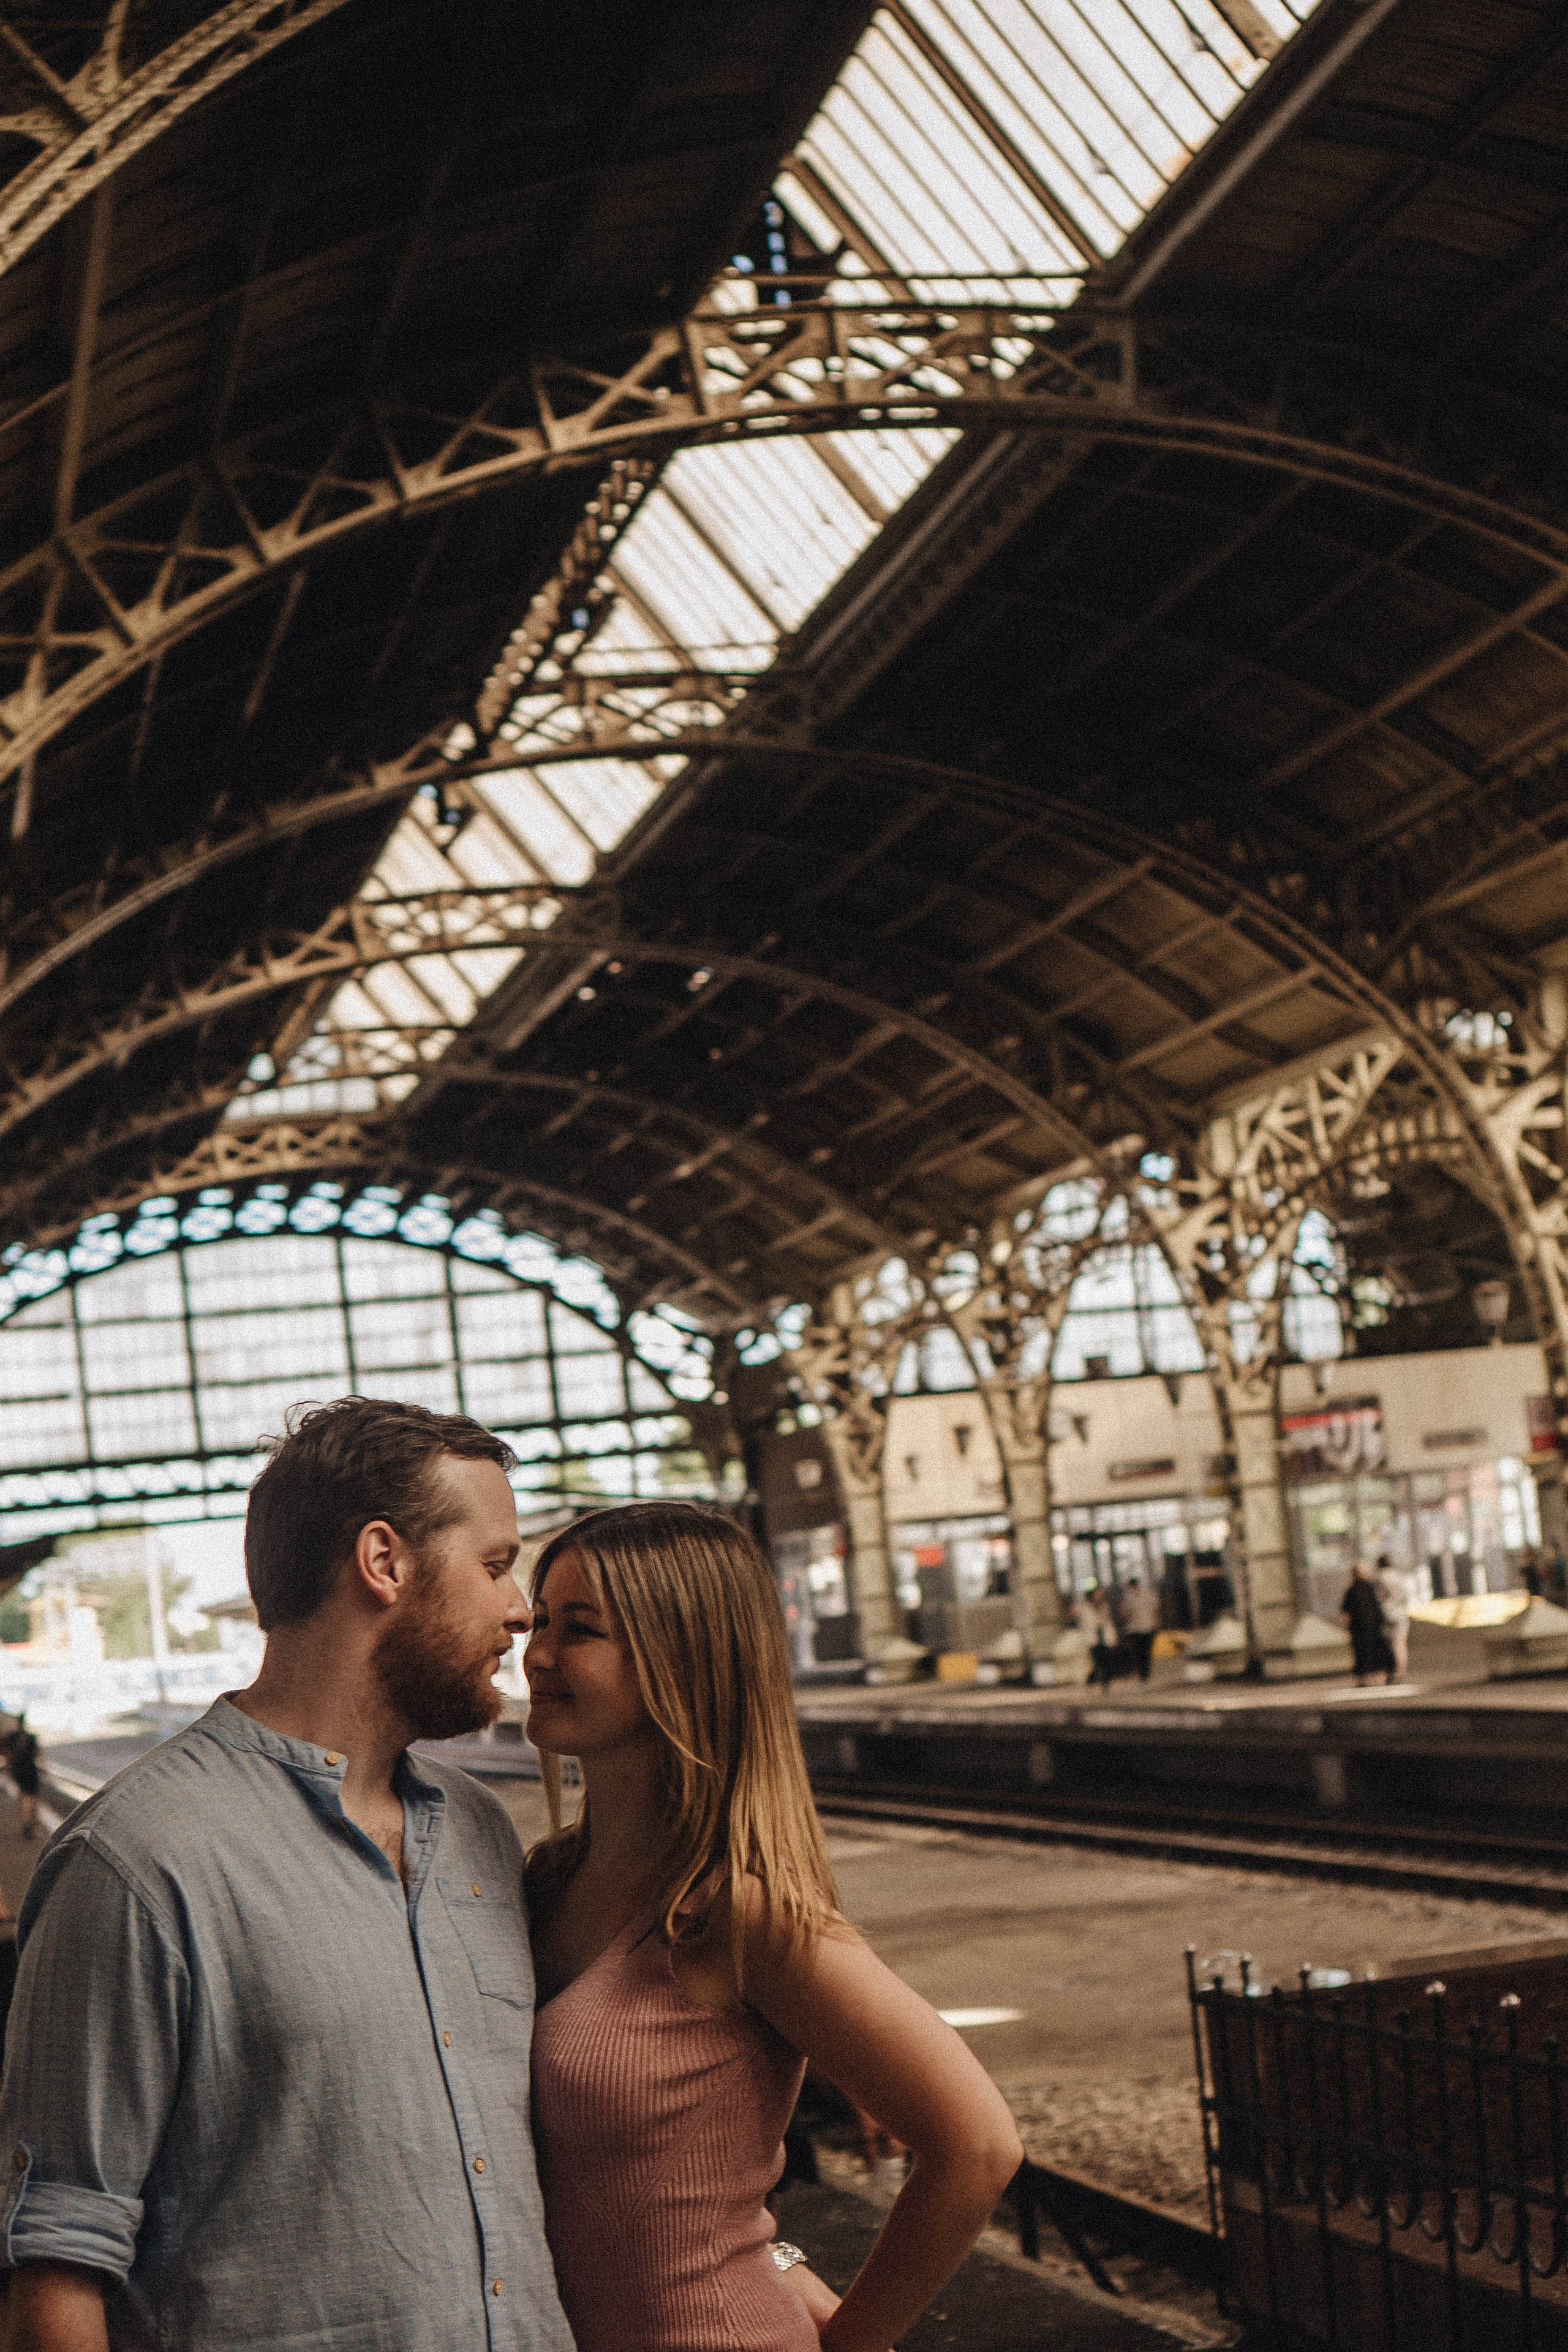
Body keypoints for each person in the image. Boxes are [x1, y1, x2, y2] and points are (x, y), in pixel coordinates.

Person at [0, 1397, 575, 2352]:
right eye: (497, 1566)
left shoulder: (477, 1834)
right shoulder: (138, 1862)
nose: (521, 1611)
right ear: (384, 1563)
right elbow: (58, 2267)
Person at [525, 1502, 1023, 2352]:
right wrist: (780, 2254)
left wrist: (855, 2341)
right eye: (539, 1619)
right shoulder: (544, 1881)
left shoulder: (734, 1910)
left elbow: (977, 2147)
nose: (536, 1654)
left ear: (682, 1660)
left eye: (580, 1629)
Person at [1340, 1558, 1394, 1686]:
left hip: (1359, 1628)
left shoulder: (1351, 1590)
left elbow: (1346, 1612)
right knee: (1378, 1651)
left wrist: (1348, 1626)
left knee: (1362, 1654)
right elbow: (1378, 1606)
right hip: (1373, 1626)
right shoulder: (1370, 1587)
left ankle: (1364, 1679)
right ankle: (1382, 1676)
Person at [1374, 1553, 1414, 1681]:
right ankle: (1401, 1670)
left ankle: (1392, 1670)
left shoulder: (1380, 1577)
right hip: (1401, 1613)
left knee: (1389, 1644)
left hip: (1387, 1613)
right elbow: (1405, 1595)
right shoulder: (1398, 1576)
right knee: (1400, 1643)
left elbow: (1379, 1596)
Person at [1118, 1575, 1161, 1683]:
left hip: (1145, 1628)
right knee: (1140, 1653)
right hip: (1137, 1629)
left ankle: (1145, 1674)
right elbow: (1125, 1613)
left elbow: (1156, 1611)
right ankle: (1144, 1675)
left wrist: (1155, 1623)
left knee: (1144, 1652)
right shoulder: (1130, 1598)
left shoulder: (1147, 1595)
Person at [4, 1713, 40, 1839]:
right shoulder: (31, 1738)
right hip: (30, 1769)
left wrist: (9, 1767)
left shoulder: (11, 1738)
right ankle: (30, 1822)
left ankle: (26, 1821)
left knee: (24, 1795)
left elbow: (6, 1753)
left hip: (17, 1771)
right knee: (32, 1796)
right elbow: (38, 1755)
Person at [1084, 1584, 1118, 1687]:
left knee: (1106, 1659)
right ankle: (1097, 1679)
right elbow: (1085, 1623)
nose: (1099, 1596)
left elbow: (1108, 1621)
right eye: (1097, 1594)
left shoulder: (1104, 1606)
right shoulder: (1086, 1608)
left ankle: (1104, 1680)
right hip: (1094, 1638)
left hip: (1104, 1637)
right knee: (1097, 1661)